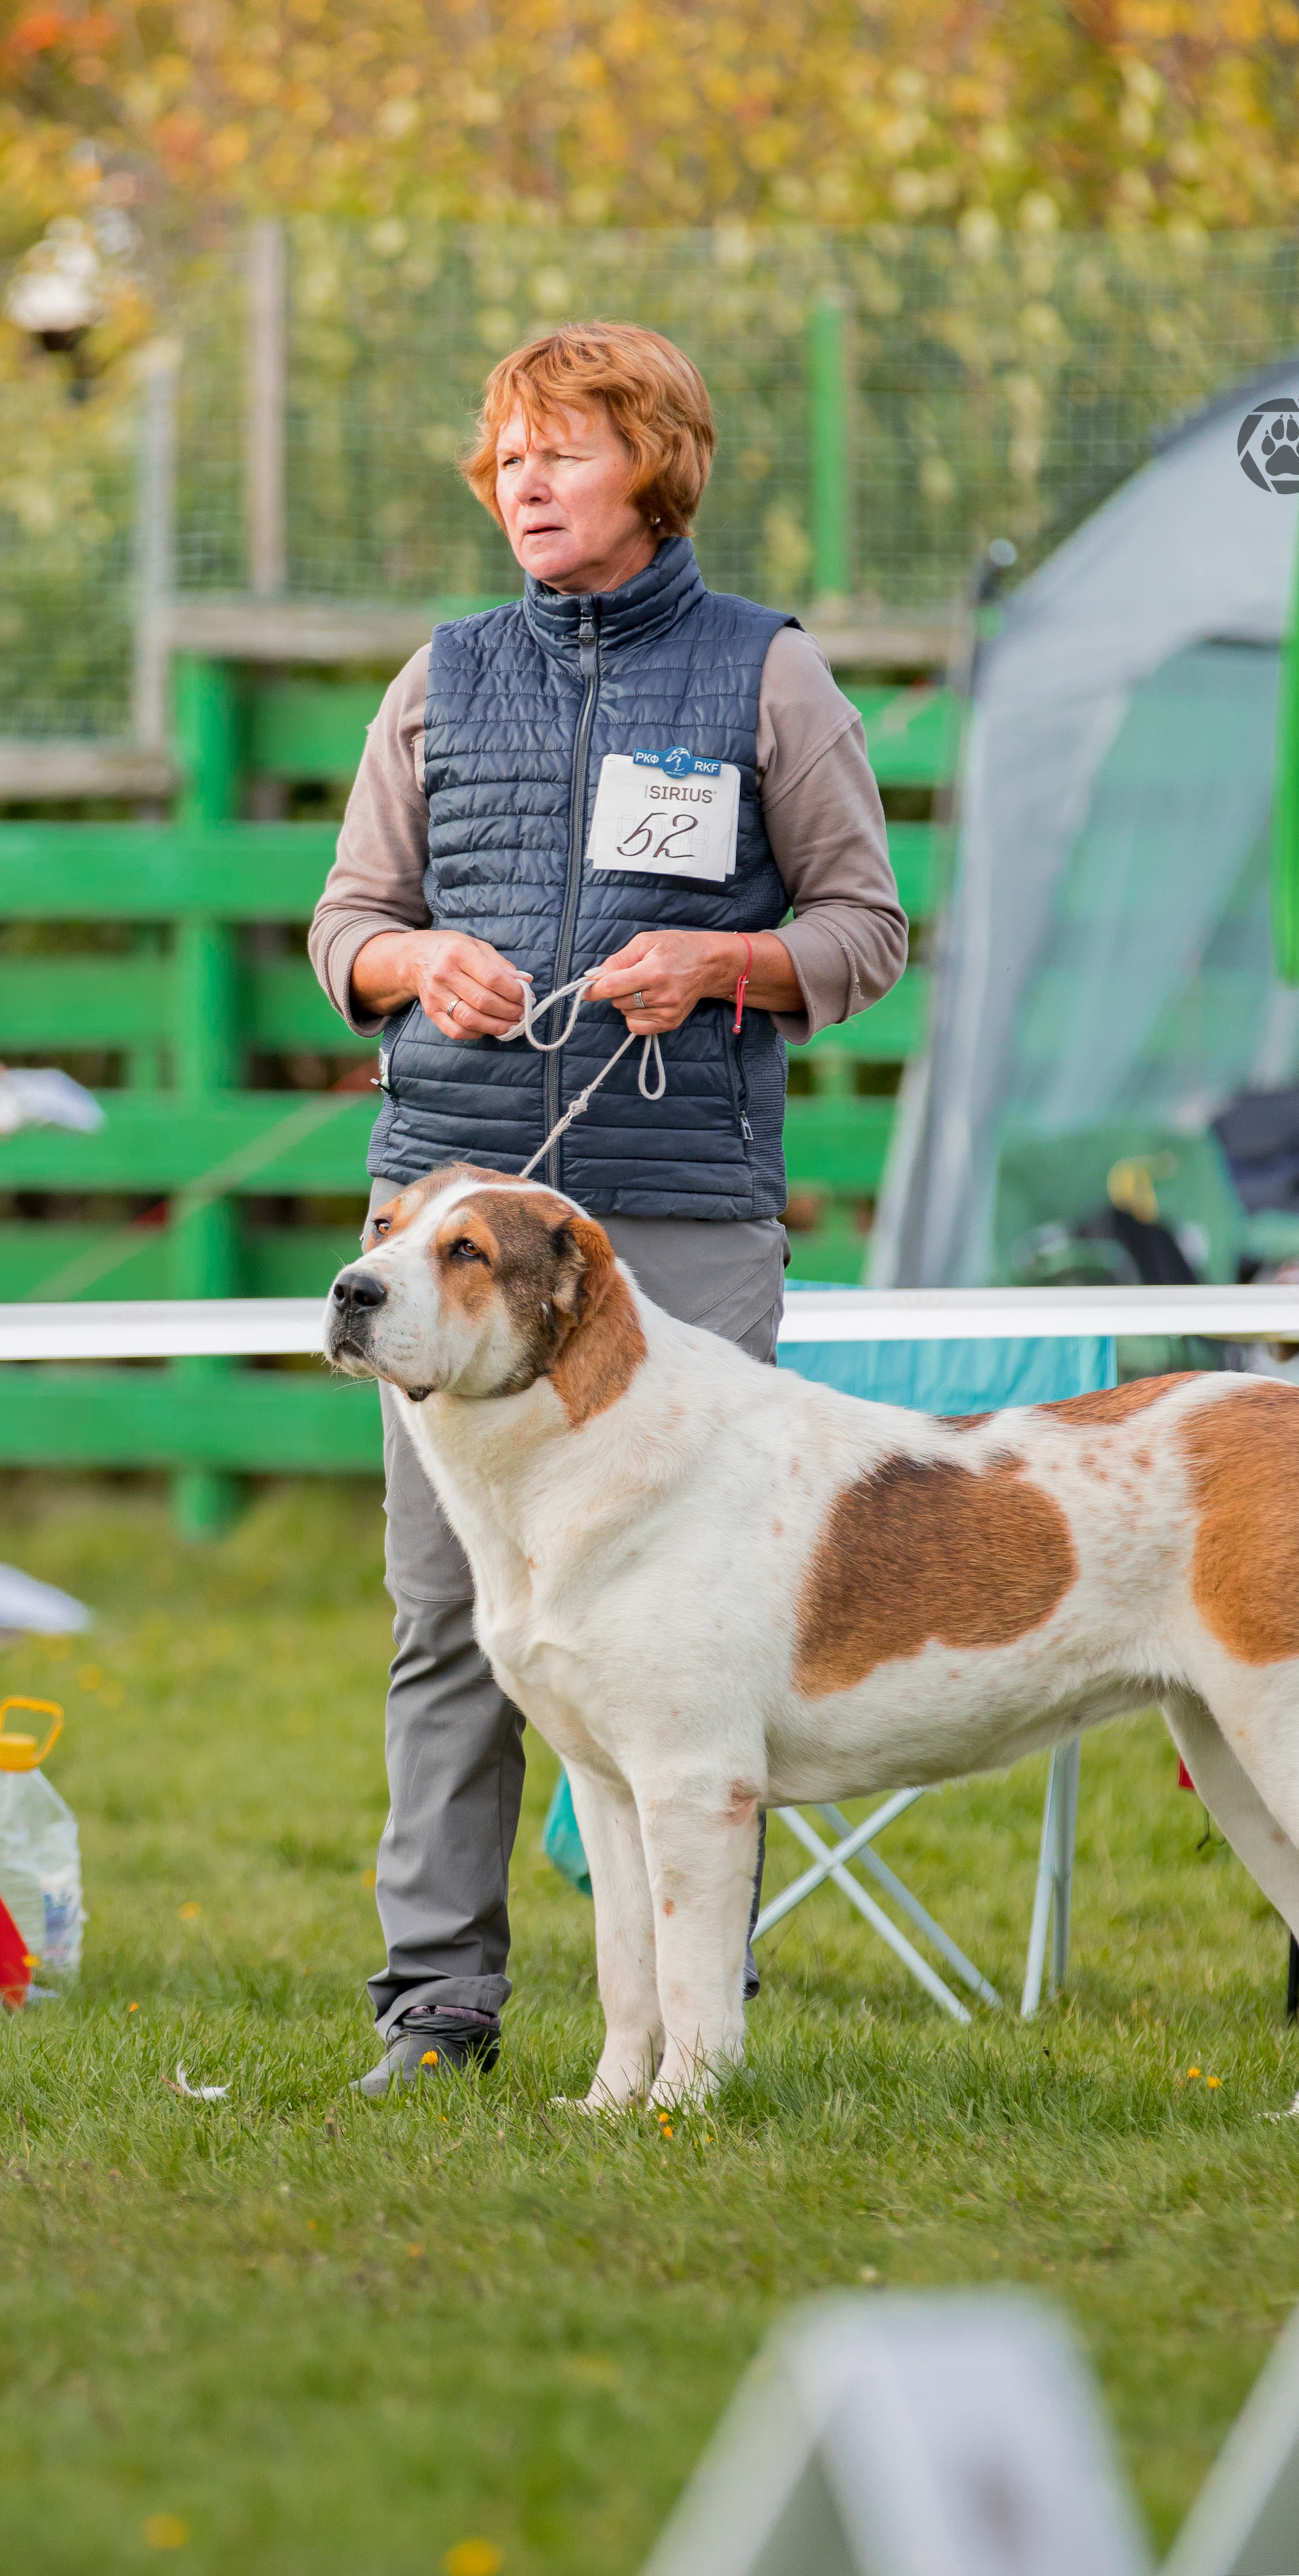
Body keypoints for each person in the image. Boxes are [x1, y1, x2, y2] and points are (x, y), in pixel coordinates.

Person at [309, 322, 906, 2095]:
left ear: (656, 466)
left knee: (705, 1628)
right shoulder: (437, 679)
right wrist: (417, 962)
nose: (525, 483)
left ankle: (693, 2018)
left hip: (685, 1214)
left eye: (560, 451)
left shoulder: (772, 676)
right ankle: (438, 2010)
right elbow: (342, 928)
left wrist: (729, 963)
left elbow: (866, 931)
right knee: (449, 1623)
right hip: (450, 1229)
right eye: (506, 457)